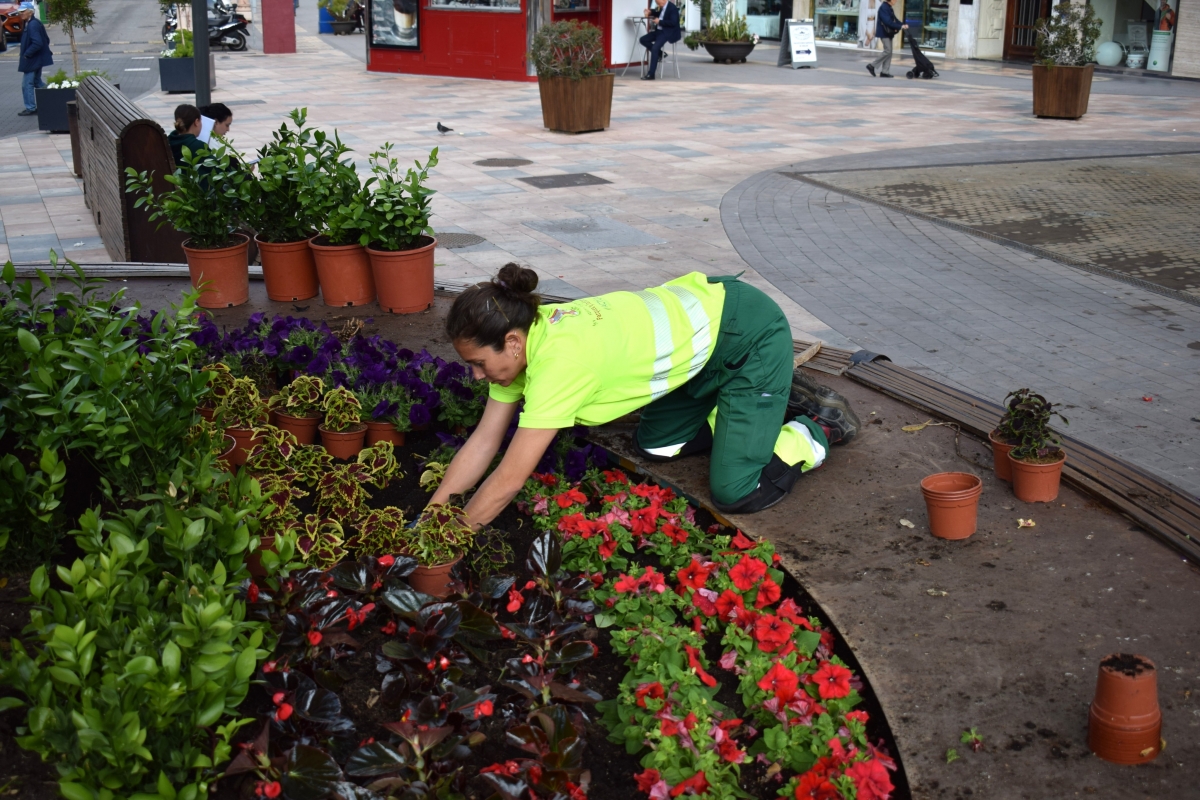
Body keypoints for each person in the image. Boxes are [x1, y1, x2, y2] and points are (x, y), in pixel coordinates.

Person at [428, 264, 861, 529]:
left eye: (479, 364)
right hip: (704, 349)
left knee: (738, 492)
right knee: (657, 446)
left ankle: (812, 427)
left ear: (511, 341)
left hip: (748, 330)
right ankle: (750, 403)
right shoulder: (525, 337)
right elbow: (484, 440)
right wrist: (429, 520)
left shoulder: (559, 364)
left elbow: (508, 480)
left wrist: (449, 544)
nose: (476, 375)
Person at [16, 1, 52, 117]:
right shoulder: (33, 23)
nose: (21, 13)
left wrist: (27, 54)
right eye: (20, 11)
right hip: (36, 59)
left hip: (32, 60)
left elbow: (38, 43)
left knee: (27, 85)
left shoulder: (32, 25)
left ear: (30, 12)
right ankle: (53, 94)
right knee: (37, 82)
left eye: (23, 11)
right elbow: (46, 39)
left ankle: (30, 108)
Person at [639, 0, 681, 81]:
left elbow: (673, 22)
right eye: (657, 3)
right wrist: (650, 12)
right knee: (643, 39)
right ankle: (660, 53)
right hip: (658, 31)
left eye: (658, 2)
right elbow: (660, 14)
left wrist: (660, 22)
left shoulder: (672, 8)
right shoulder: (662, 6)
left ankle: (651, 74)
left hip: (667, 32)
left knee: (655, 48)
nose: (658, 4)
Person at [866, 0, 907, 78]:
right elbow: (888, 22)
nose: (896, 1)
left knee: (889, 51)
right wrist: (900, 26)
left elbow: (895, 20)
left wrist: (902, 25)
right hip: (884, 32)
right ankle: (872, 65)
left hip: (888, 33)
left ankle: (885, 71)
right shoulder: (884, 8)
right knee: (888, 50)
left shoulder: (889, 7)